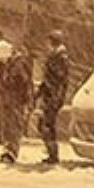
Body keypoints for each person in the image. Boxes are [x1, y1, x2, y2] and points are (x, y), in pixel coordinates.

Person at [0, 41, 33, 164]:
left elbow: (19, 83)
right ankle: (7, 149)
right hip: (8, 100)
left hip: (16, 101)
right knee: (7, 126)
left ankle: (12, 151)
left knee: (14, 126)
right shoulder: (6, 66)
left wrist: (4, 76)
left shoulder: (18, 65)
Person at [35, 30, 70, 166]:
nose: (46, 44)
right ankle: (51, 152)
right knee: (45, 124)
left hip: (53, 97)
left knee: (46, 125)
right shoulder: (56, 56)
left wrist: (54, 95)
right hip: (51, 95)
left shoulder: (59, 58)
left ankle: (53, 154)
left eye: (48, 41)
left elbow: (59, 79)